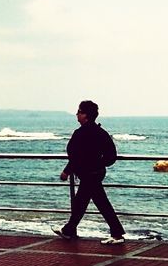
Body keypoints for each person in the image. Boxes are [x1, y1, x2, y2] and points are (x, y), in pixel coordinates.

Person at [54, 99, 125, 245]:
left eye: (79, 112)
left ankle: (117, 235)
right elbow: (111, 155)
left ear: (85, 115)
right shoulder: (101, 132)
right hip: (96, 173)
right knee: (86, 202)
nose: (77, 114)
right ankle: (69, 230)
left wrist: (66, 171)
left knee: (96, 204)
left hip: (88, 174)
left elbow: (75, 156)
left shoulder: (80, 133)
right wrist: (100, 163)